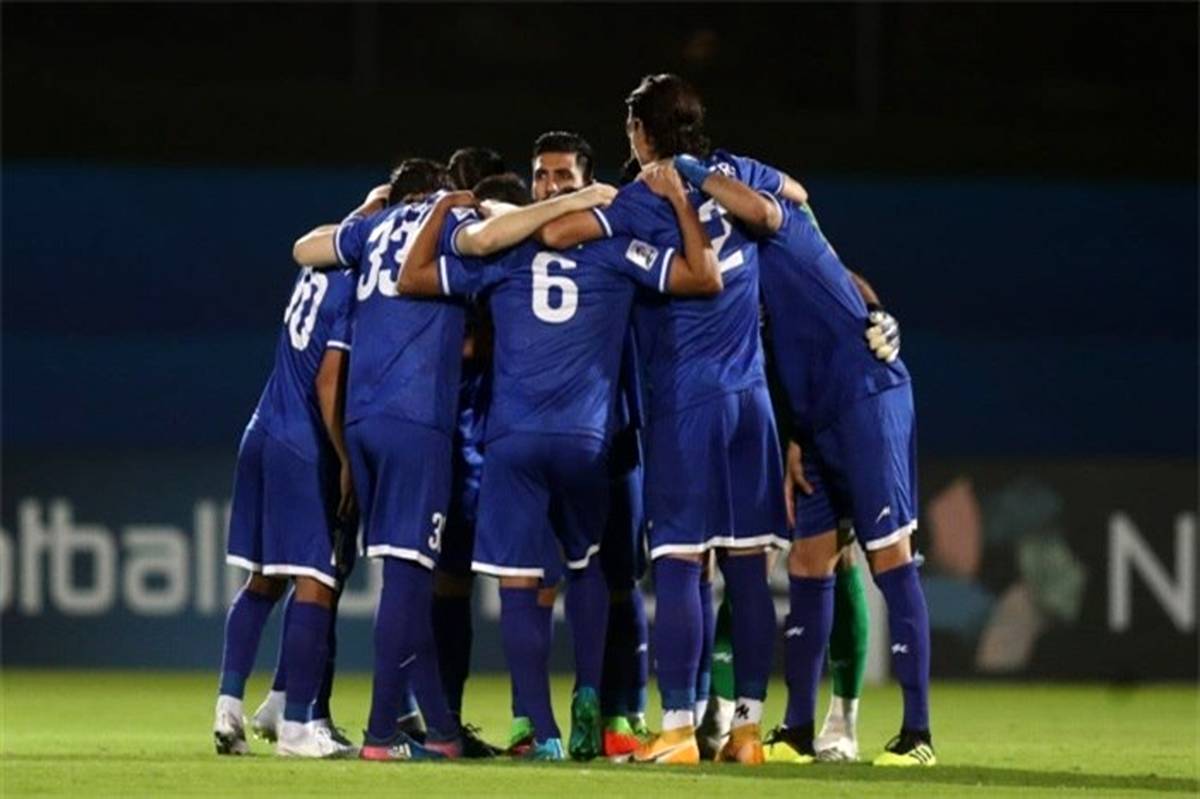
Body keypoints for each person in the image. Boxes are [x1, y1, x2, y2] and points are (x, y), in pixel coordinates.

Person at [397, 164, 718, 761]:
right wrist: (680, 205)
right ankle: (590, 693)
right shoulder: (618, 253)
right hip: (587, 438)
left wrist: (442, 210)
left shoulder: (504, 257)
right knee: (587, 564)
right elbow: (700, 277)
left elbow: (413, 277)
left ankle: (540, 730)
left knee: (520, 581)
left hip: (514, 439)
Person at [539, 74, 788, 766]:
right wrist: (702, 181)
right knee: (748, 566)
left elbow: (556, 232)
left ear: (641, 132)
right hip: (752, 400)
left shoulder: (640, 201)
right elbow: (789, 201)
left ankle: (677, 727)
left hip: (686, 403)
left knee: (678, 563)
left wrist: (606, 197)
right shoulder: (733, 174)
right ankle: (746, 731)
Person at [674, 151, 934, 767]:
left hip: (865, 399)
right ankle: (795, 728)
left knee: (888, 559)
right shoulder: (724, 256)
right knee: (808, 562)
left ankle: (917, 733)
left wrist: (879, 316)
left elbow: (843, 277)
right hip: (809, 422)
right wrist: (793, 434)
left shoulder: (778, 221)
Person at [213, 259, 357, 759]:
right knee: (317, 582)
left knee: (264, 581)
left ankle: (230, 708)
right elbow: (328, 381)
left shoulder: (317, 267)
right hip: (300, 442)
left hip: (261, 428)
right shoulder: (354, 286)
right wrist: (345, 457)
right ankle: (296, 727)